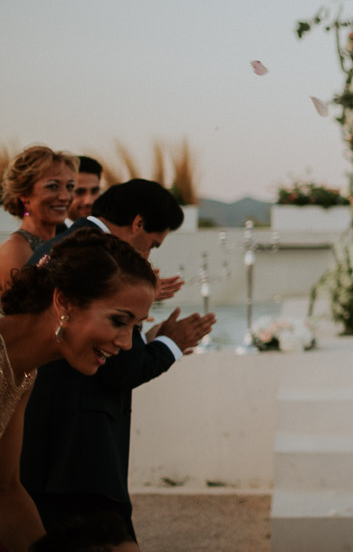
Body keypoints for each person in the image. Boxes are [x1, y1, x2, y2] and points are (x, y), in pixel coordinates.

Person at [19, 180, 215, 540]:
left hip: (47, 450)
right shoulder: (94, 258)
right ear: (138, 223)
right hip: (79, 455)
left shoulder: (62, 248)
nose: (149, 256)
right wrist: (170, 344)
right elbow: (121, 369)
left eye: (132, 324)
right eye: (153, 245)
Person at [0, 230, 156, 552]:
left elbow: (6, 491)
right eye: (118, 320)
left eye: (135, 327)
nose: (126, 343)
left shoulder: (24, 372)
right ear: (64, 301)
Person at [0, 147, 77, 295]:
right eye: (53, 186)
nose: (65, 196)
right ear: (24, 194)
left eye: (70, 186)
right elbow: (24, 314)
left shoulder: (64, 242)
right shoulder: (15, 251)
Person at [66, 157, 103, 226]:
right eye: (79, 192)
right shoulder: (50, 234)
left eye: (94, 191)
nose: (89, 201)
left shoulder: (110, 233)